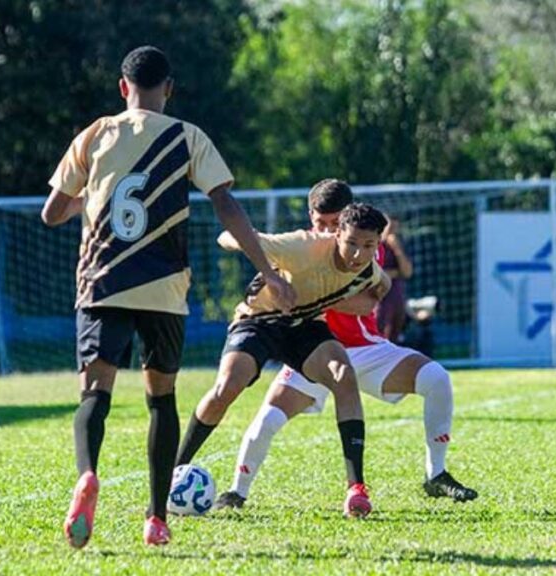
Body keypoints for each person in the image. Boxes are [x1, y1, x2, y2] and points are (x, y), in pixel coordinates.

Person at [41, 45, 295, 548]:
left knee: (95, 395)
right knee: (161, 400)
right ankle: (157, 519)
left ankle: (88, 474)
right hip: (162, 289)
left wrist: (92, 198)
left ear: (122, 87)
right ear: (169, 89)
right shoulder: (187, 136)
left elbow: (51, 212)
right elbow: (224, 203)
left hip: (103, 283)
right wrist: (268, 270)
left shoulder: (95, 133)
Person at [214, 180, 476, 512]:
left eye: (334, 224)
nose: (327, 232)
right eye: (320, 224)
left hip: (365, 350)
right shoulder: (300, 246)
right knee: (266, 422)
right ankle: (236, 493)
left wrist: (297, 292)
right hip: (309, 350)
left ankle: (435, 474)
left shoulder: (362, 245)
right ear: (311, 217)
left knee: (437, 379)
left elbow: (363, 304)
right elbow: (247, 243)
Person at [174, 201, 391, 518]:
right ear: (336, 235)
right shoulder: (302, 247)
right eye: (351, 243)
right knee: (228, 387)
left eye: (368, 245)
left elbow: (380, 288)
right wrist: (269, 275)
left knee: (343, 375)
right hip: (259, 320)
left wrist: (350, 302)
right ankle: (176, 468)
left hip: (305, 325)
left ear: (377, 244)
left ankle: (356, 489)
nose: (358, 253)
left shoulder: (370, 271)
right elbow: (227, 236)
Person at [375, 217, 413, 343]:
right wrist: (395, 273)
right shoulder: (373, 246)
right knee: (378, 331)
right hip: (378, 297)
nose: (391, 232)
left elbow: (407, 272)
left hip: (396, 296)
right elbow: (373, 273)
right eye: (389, 228)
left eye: (394, 229)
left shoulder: (398, 246)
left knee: (394, 334)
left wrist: (397, 249)